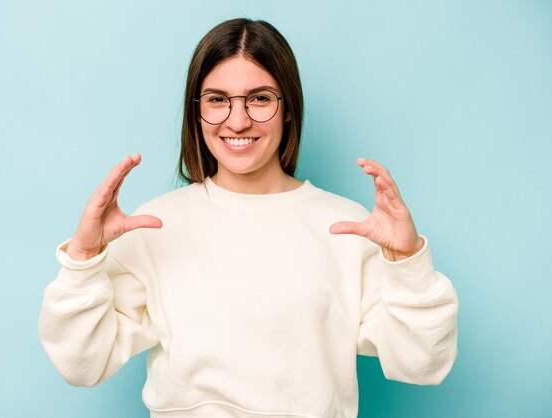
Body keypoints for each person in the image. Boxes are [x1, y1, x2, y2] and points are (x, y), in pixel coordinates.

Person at [38, 18, 458, 418]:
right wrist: (84, 256)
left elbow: (422, 363)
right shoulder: (154, 225)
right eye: (218, 100)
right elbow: (82, 365)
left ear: (288, 107)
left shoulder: (348, 226)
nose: (238, 121)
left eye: (259, 98)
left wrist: (406, 260)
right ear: (196, 110)